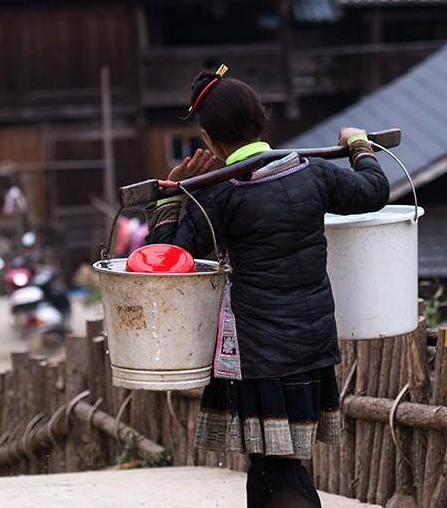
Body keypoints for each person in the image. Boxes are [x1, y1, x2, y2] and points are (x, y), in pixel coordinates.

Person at [145, 65, 389, 508]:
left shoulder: (220, 193)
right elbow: (373, 190)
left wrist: (172, 194)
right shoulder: (312, 173)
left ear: (209, 142)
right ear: (263, 121)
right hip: (311, 343)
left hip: (261, 354)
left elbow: (166, 260)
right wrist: (358, 145)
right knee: (268, 466)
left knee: (278, 470)